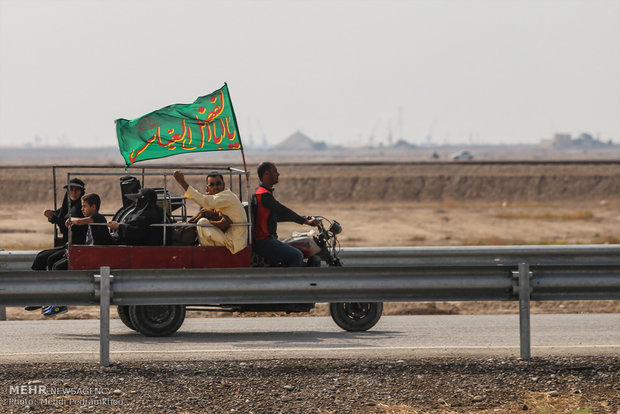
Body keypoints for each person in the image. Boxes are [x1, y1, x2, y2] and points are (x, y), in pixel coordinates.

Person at [28, 178, 88, 316]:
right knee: (40, 257)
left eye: (76, 190)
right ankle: (39, 296)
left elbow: (66, 224)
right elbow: (60, 214)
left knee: (52, 261)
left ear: (82, 192)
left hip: (77, 246)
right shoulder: (68, 204)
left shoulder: (80, 207)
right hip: (68, 245)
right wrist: (51, 214)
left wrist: (55, 218)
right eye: (71, 189)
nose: (73, 192)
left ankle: (54, 298)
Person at [251, 162, 318, 267]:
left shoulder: (262, 193)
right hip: (264, 241)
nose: (278, 174)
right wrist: (306, 222)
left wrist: (303, 218)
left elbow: (276, 217)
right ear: (266, 174)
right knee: (297, 256)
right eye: (275, 171)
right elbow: (284, 211)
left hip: (267, 240)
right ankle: (292, 282)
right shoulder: (263, 195)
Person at [172, 170, 248, 254]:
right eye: (212, 185)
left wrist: (182, 182)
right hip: (229, 238)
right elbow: (206, 205)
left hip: (234, 243)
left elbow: (204, 201)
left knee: (202, 222)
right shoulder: (217, 199)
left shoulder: (227, 196)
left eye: (218, 184)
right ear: (207, 188)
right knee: (203, 220)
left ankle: (206, 253)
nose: (215, 187)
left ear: (224, 184)